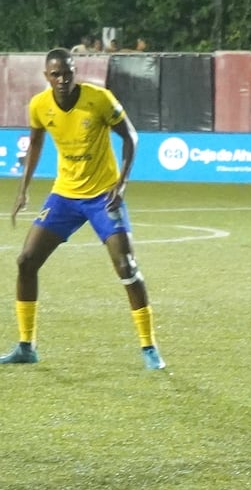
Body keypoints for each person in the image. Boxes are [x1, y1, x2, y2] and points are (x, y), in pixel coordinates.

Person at [0, 48, 166, 370]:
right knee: (26, 261)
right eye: (56, 74)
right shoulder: (39, 106)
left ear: (75, 72)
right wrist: (23, 189)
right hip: (64, 196)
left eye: (68, 72)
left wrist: (121, 184)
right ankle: (26, 346)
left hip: (103, 197)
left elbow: (131, 137)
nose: (63, 79)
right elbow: (35, 143)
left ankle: (149, 348)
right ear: (46, 77)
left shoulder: (99, 99)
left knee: (126, 265)